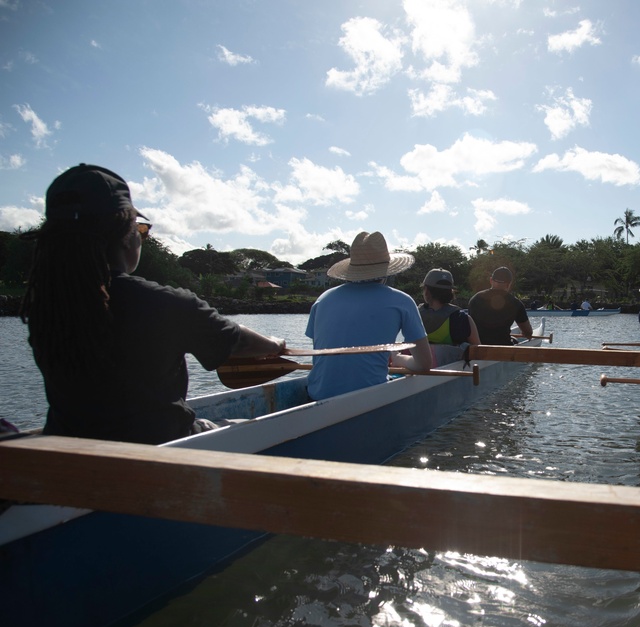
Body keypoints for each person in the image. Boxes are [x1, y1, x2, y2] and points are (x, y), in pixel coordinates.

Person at [20, 164, 286, 444]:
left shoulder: (45, 306)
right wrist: (274, 344)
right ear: (125, 233)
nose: (141, 236)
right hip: (158, 450)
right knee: (255, 430)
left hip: (65, 449)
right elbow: (238, 341)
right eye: (141, 228)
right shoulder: (164, 304)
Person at [306, 231, 432, 400]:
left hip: (318, 394)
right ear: (387, 270)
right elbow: (424, 364)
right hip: (370, 397)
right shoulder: (401, 301)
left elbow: (321, 353)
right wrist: (398, 358)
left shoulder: (323, 299)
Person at [419, 268, 480, 367]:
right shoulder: (463, 318)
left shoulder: (415, 315)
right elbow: (478, 350)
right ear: (450, 292)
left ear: (426, 291)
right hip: (453, 371)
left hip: (420, 368)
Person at [467, 266, 533, 345]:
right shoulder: (516, 303)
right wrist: (526, 334)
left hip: (477, 349)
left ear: (491, 280)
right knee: (514, 340)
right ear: (509, 284)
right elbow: (528, 332)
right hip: (502, 349)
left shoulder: (475, 299)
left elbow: (469, 328)